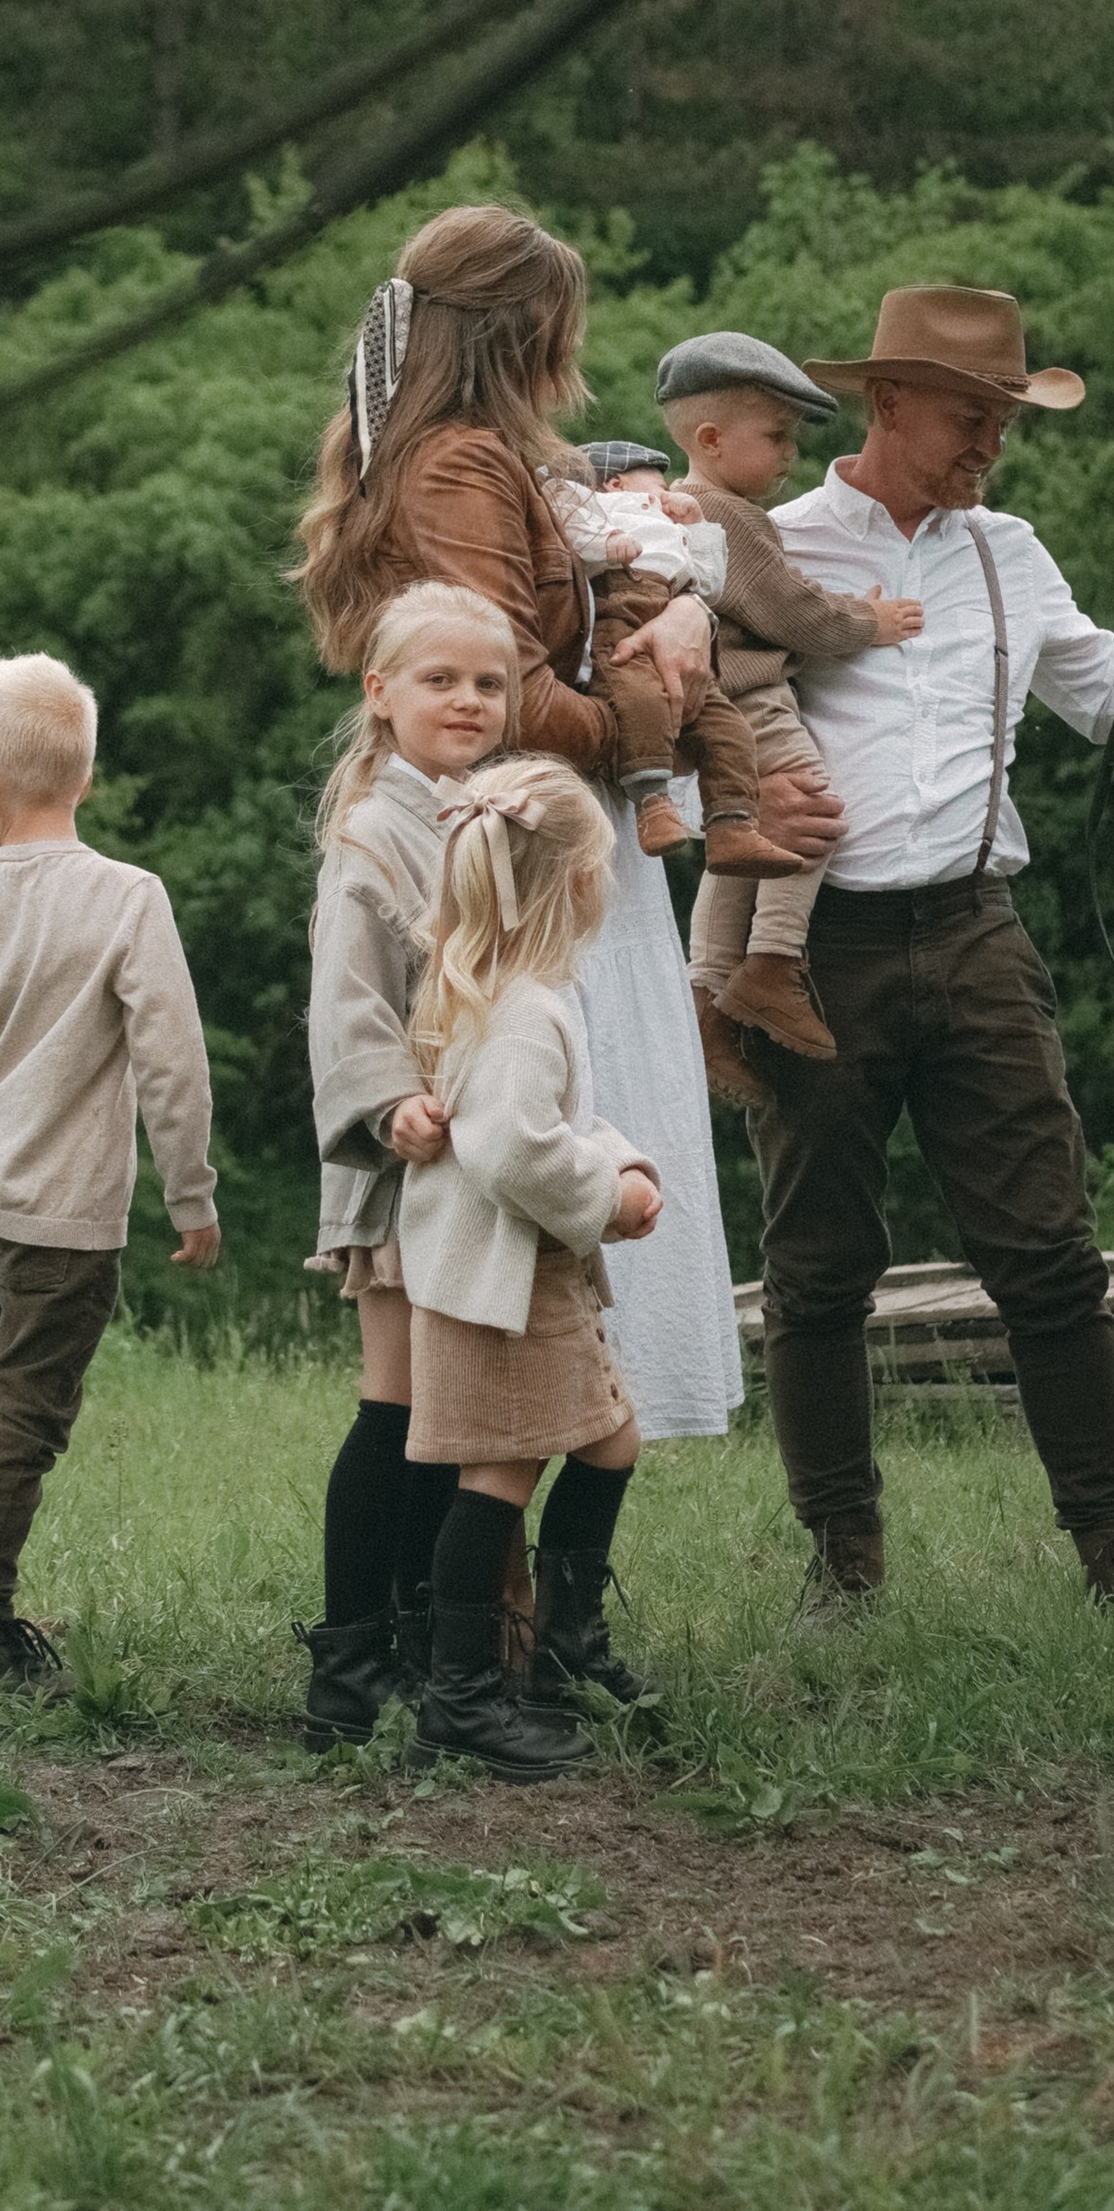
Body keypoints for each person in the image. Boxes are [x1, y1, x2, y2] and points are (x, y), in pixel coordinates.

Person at [754, 283, 1114, 1613]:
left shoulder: (1010, 549)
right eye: (967, 417)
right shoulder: (771, 547)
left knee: (1051, 1260)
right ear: (888, 401)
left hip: (977, 930)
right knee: (820, 1271)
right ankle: (844, 1567)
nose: (987, 445)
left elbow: (1110, 706)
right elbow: (695, 708)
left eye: (1003, 421)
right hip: (816, 942)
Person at [293, 202, 837, 1436]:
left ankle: (526, 1573)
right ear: (512, 332)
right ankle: (495, 1591)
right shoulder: (458, 465)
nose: (568, 356)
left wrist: (684, 623)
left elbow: (592, 605)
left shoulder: (488, 455)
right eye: (555, 329)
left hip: (550, 831)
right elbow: (506, 694)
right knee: (528, 1189)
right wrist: (645, 720)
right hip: (519, 837)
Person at [0, 650, 221, 1695]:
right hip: (63, 1221)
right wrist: (190, 1192)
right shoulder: (126, 898)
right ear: (85, 780)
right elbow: (173, 1062)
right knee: (23, 1415)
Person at [397, 754, 659, 1780]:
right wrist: (603, 1197)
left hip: (527, 1277)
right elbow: (511, 1150)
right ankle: (461, 1696)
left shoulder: (512, 993)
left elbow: (548, 1122)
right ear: (579, 884)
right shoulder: (523, 1010)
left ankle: (565, 1647)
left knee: (608, 1440)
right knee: (500, 1473)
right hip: (501, 1286)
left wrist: (617, 1161)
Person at [297, 578, 510, 1751]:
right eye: (440, 680)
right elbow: (348, 1004)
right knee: (401, 1403)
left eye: (488, 682)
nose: (468, 700)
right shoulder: (377, 829)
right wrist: (390, 1106)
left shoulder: (491, 812)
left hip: (475, 1160)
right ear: (380, 694)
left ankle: (432, 1644)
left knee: (451, 1409)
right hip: (400, 1158)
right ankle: (347, 1665)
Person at [654, 334, 927, 1084]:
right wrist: (871, 623)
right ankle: (772, 962)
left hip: (711, 710)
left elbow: (752, 622)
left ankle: (707, 992)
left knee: (741, 845)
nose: (789, 457)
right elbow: (791, 614)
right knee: (814, 811)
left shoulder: (669, 515)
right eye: (775, 437)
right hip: (754, 707)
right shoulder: (729, 518)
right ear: (710, 439)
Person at [545, 437, 807, 872]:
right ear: (614, 483)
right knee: (637, 699)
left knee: (728, 728)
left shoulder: (672, 530)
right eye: (658, 482)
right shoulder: (592, 507)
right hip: (617, 615)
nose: (670, 492)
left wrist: (699, 525)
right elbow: (559, 509)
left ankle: (733, 824)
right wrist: (604, 544)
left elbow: (710, 584)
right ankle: (652, 802)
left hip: (670, 603)